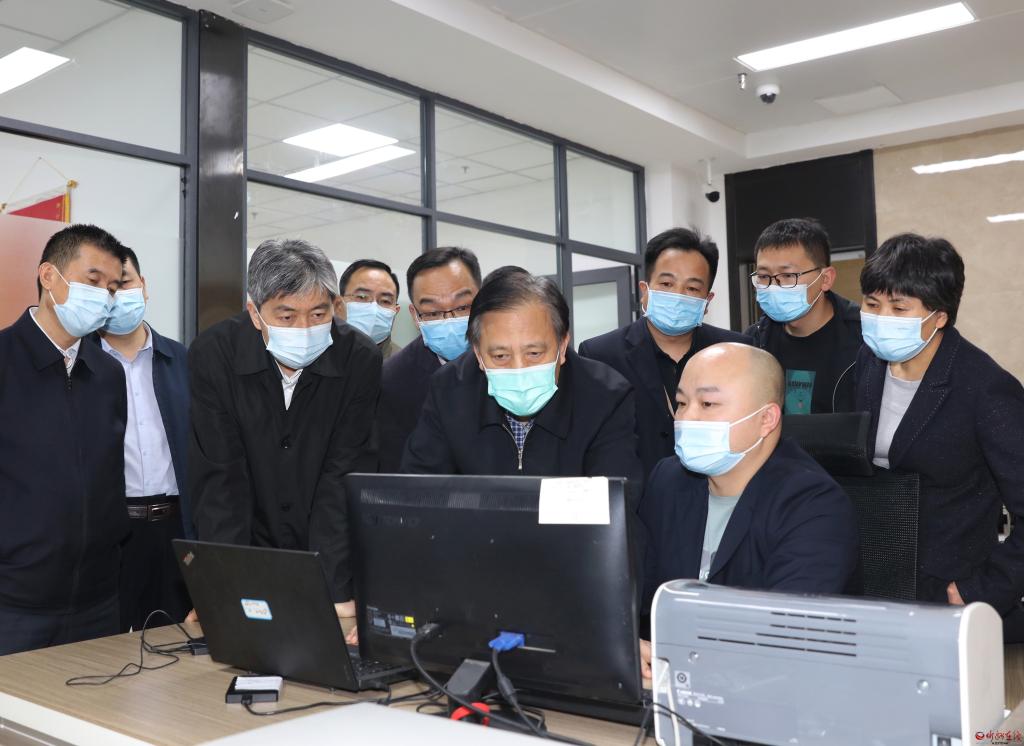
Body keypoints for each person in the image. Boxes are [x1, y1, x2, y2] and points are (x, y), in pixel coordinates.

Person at [188, 238, 381, 619]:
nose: (305, 329)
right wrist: (223, 586)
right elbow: (221, 483)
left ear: (335, 307)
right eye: (287, 316)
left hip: (329, 545)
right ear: (254, 312)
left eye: (318, 314)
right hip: (249, 542)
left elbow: (342, 477)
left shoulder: (359, 359)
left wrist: (333, 588)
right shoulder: (214, 355)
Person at [638, 342, 859, 675]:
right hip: (670, 681)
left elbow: (786, 638)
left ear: (766, 419)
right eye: (681, 403)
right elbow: (635, 591)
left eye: (708, 404)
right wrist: (627, 645)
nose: (686, 418)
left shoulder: (815, 506)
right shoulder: (668, 480)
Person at [855, 233, 1024, 634]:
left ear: (940, 316)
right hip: (875, 582)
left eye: (899, 308)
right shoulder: (867, 362)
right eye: (872, 305)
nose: (882, 318)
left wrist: (984, 589)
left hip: (947, 593)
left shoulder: (985, 388)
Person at [0, 224, 130, 654]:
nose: (104, 296)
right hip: (14, 605)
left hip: (98, 601)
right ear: (48, 276)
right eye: (93, 280)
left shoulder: (108, 373)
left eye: (111, 288)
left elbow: (110, 475)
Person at [401, 267, 643, 489]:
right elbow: (419, 490)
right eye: (500, 356)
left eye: (534, 353)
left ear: (562, 345)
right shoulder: (449, 389)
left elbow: (612, 500)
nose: (519, 369)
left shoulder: (605, 395)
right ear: (478, 354)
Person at [579, 227, 750, 482]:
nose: (678, 296)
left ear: (707, 300)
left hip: (715, 491)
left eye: (692, 288)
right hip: (636, 497)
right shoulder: (601, 354)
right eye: (667, 284)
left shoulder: (736, 351)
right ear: (645, 290)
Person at [98, 247, 192, 631]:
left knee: (177, 643)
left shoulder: (183, 360)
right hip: (112, 534)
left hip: (176, 529)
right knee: (106, 647)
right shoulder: (82, 365)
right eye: (106, 289)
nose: (117, 296)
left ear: (144, 286)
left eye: (124, 283)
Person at [376, 247, 482, 472]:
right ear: (415, 316)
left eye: (463, 307)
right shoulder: (393, 380)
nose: (449, 320)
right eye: (433, 313)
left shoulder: (514, 363)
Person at [745, 218, 861, 414]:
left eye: (788, 276)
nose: (774, 286)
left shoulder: (863, 338)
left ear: (826, 279)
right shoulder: (755, 341)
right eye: (764, 277)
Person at [338, 259, 402, 360]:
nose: (374, 309)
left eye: (385, 301)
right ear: (338, 304)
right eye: (362, 297)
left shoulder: (405, 365)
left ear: (396, 311)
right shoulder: (316, 356)